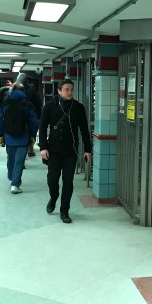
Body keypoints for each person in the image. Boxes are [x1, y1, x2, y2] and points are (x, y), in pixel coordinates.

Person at [39, 79, 92, 224]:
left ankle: (64, 211)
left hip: (71, 151)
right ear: (59, 91)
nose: (70, 92)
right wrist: (43, 147)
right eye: (67, 89)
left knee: (68, 181)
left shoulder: (78, 107)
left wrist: (88, 149)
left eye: (71, 89)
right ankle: (54, 196)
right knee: (52, 180)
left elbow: (84, 130)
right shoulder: (49, 106)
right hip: (53, 150)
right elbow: (42, 128)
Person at [0, 82, 39, 193]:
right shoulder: (27, 104)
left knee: (11, 159)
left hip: (9, 137)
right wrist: (32, 135)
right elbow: (34, 121)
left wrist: (0, 135)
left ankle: (11, 177)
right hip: (23, 137)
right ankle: (15, 184)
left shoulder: (6, 103)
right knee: (19, 161)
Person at [18, 73, 42, 157]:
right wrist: (38, 116)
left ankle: (24, 152)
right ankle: (30, 149)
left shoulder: (17, 90)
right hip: (32, 114)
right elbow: (38, 103)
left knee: (23, 133)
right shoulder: (33, 90)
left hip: (21, 115)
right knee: (31, 132)